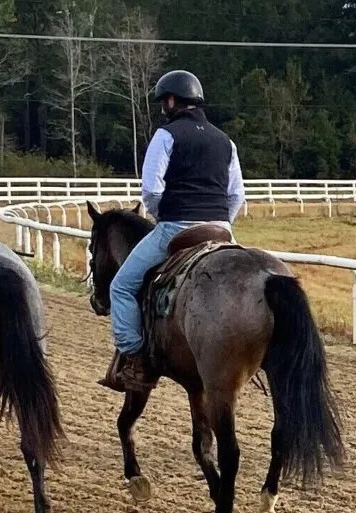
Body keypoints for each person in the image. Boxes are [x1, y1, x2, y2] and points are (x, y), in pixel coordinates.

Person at [99, 69, 246, 393]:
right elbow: (237, 195)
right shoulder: (226, 142)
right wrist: (222, 223)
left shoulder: (166, 136)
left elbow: (151, 190)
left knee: (121, 287)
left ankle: (134, 358)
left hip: (176, 228)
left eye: (162, 102)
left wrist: (162, 216)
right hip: (222, 231)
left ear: (170, 100)